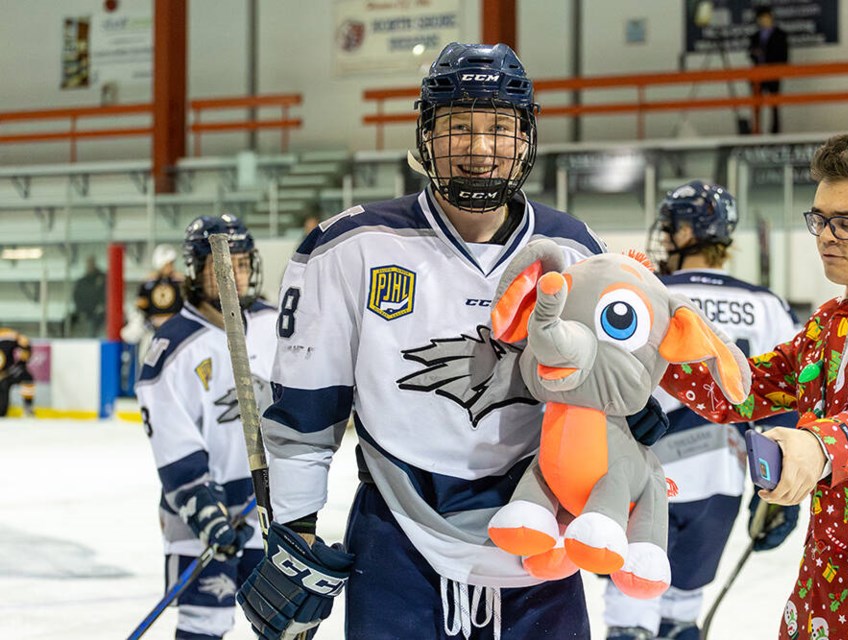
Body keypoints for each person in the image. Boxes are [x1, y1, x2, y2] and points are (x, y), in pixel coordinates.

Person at [236, 42, 668, 640]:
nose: (479, 147)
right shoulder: (351, 246)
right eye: (458, 126)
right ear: (425, 134)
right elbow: (309, 410)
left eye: (499, 128)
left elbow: (615, 377)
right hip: (396, 541)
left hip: (539, 533)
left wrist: (629, 412)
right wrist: (296, 529)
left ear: (526, 138)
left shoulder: (575, 250)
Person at [657, 133, 848, 639]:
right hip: (822, 586)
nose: (825, 236)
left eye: (846, 223)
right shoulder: (830, 324)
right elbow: (743, 389)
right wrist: (637, 349)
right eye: (820, 219)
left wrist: (819, 445)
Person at [603, 181, 801, 640]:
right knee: (682, 609)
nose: (667, 237)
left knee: (631, 602)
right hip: (721, 478)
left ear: (690, 231)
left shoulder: (644, 292)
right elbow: (785, 404)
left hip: (641, 474)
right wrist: (779, 488)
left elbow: (608, 381)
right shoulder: (765, 305)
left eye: (672, 227)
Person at [136, 214, 277, 640]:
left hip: (265, 510)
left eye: (241, 264)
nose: (233, 275)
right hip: (201, 510)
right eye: (220, 265)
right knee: (204, 623)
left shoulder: (274, 327)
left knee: (281, 623)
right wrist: (203, 510)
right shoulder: (171, 347)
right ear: (195, 272)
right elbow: (174, 443)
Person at [121, 244, 185, 348]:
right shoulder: (148, 283)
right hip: (153, 332)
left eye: (172, 263)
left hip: (176, 330)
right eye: (168, 264)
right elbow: (140, 309)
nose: (171, 267)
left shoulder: (180, 282)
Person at [748, 5, 789, 134]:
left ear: (771, 18)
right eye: (761, 18)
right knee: (757, 105)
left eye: (765, 18)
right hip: (758, 74)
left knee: (774, 104)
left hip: (773, 73)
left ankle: (775, 131)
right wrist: (755, 53)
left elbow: (784, 55)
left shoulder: (780, 35)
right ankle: (756, 130)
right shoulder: (755, 36)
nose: (763, 21)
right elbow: (750, 52)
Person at [0, 327, 35, 417]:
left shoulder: (7, 334)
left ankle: (28, 408)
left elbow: (24, 344)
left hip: (7, 375)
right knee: (1, 412)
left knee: (26, 377)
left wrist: (20, 364)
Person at [72, 255, 106, 337]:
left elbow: (105, 295)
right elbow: (76, 296)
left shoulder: (103, 279)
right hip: (86, 312)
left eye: (91, 263)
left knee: (95, 324)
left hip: (100, 313)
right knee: (70, 319)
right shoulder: (82, 281)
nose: (89, 265)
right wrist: (81, 310)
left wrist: (101, 306)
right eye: (88, 263)